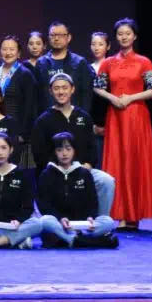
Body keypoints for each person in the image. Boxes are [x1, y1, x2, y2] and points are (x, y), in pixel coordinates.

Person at [93, 18, 152, 231]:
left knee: (135, 161)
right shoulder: (108, 62)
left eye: (127, 33)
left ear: (134, 36)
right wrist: (112, 98)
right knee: (118, 162)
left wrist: (131, 98)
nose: (123, 37)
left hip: (137, 117)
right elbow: (97, 87)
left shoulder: (144, 62)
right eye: (120, 34)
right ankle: (121, 214)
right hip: (115, 117)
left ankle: (134, 214)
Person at [32, 71, 116, 217]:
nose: (61, 92)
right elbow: (39, 154)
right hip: (56, 173)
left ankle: (99, 223)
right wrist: (60, 168)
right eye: (56, 88)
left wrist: (87, 166)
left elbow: (92, 148)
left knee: (106, 181)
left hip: (81, 170)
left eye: (65, 87)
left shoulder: (84, 117)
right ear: (50, 91)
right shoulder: (43, 120)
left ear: (72, 89)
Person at [38, 132, 119, 248]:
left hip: (81, 224)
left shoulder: (84, 173)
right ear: (54, 152)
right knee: (45, 221)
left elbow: (92, 201)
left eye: (68, 149)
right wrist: (60, 218)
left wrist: (90, 217)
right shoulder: (46, 174)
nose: (64, 153)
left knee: (108, 222)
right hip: (60, 223)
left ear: (74, 150)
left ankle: (71, 239)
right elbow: (44, 205)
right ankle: (84, 240)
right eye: (59, 150)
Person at [35, 21, 96, 116]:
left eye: (60, 35)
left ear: (69, 38)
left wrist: (82, 118)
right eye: (53, 35)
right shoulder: (41, 63)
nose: (56, 38)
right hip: (48, 117)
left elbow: (86, 95)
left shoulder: (80, 62)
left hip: (74, 117)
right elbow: (37, 95)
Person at [0, 36, 37, 167]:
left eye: (12, 49)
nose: (8, 52)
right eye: (4, 49)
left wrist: (23, 134)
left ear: (18, 53)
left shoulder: (25, 74)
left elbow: (30, 106)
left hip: (15, 131)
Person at [89, 31, 111, 165]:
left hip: (111, 120)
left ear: (108, 46)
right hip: (93, 123)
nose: (96, 47)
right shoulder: (87, 69)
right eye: (93, 44)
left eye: (100, 44)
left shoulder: (113, 68)